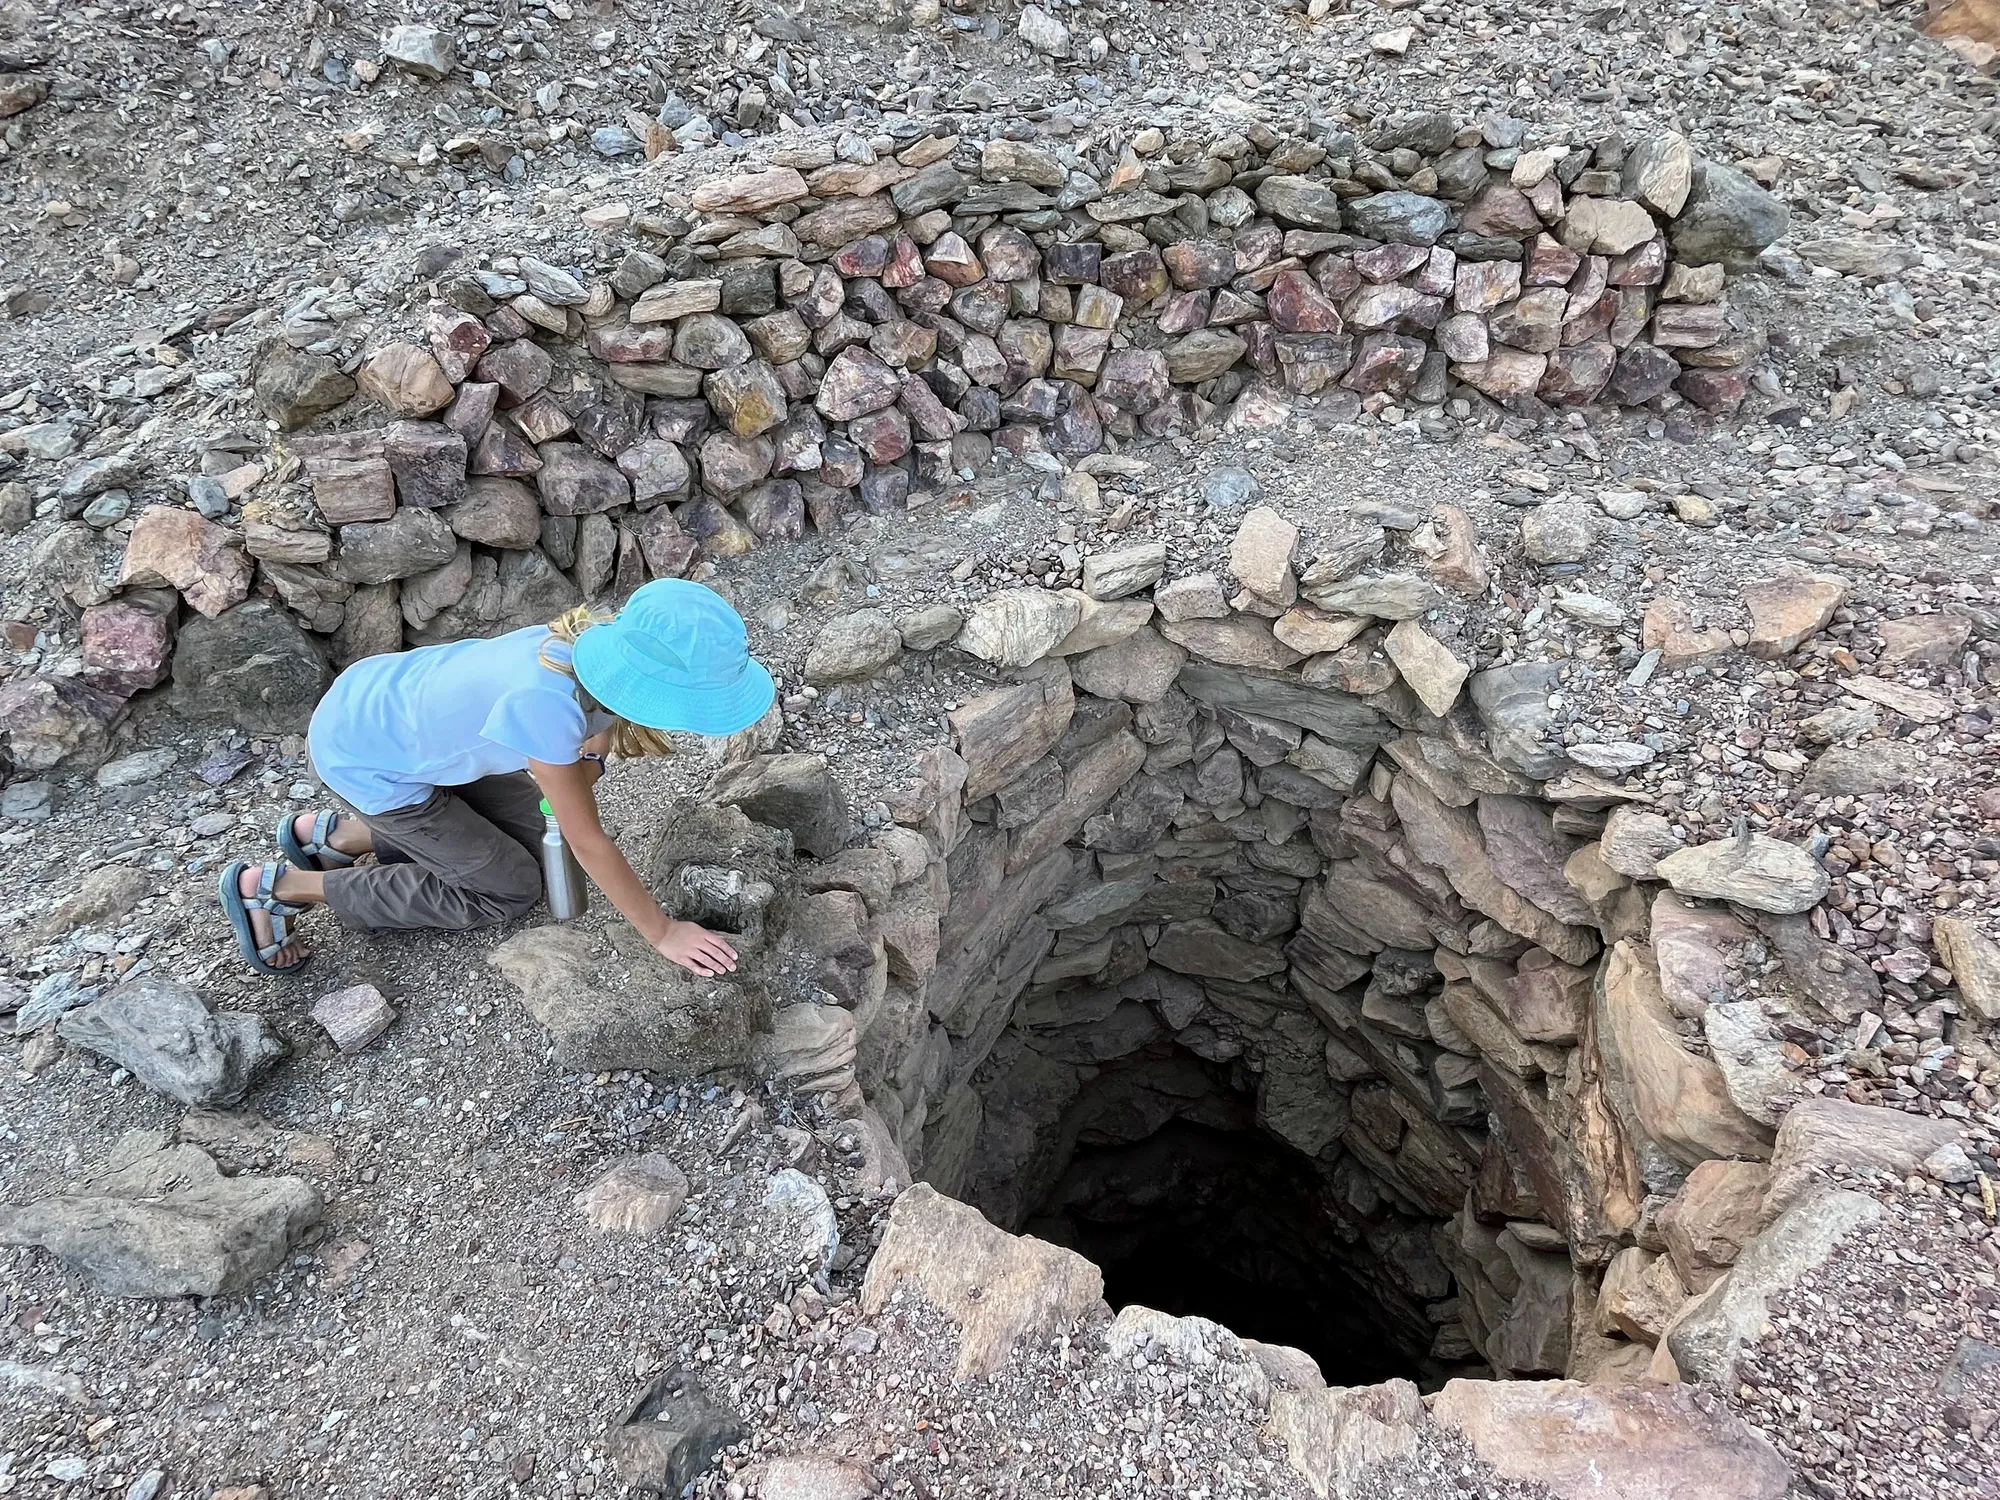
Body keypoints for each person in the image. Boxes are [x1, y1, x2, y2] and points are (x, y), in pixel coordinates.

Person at [218, 578, 774, 980]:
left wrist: (595, 748)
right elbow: (586, 840)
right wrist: (662, 931)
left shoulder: (581, 642)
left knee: (533, 834)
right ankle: (281, 889)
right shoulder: (546, 707)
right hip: (366, 760)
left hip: (382, 713)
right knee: (511, 887)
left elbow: (579, 766)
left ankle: (334, 837)